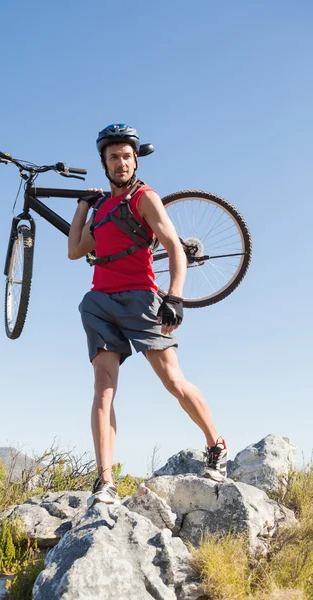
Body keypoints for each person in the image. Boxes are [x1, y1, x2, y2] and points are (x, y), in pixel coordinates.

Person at [68, 124, 227, 508]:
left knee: (173, 381)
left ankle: (216, 444)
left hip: (141, 299)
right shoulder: (103, 208)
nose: (121, 162)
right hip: (99, 302)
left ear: (135, 159)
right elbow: (75, 250)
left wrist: (175, 296)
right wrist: (83, 206)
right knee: (103, 390)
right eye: (113, 157)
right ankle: (105, 480)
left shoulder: (145, 198)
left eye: (126, 156)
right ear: (104, 164)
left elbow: (174, 247)